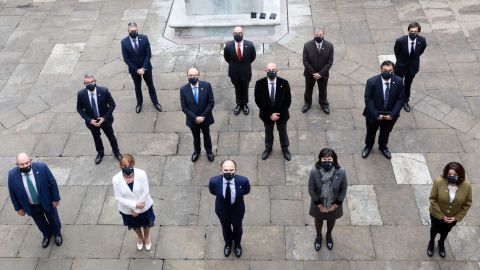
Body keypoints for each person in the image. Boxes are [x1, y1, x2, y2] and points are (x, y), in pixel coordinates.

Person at [8, 153, 62, 248]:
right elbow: (12, 192)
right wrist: (18, 208)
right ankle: (46, 235)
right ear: (17, 164)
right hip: (31, 205)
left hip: (47, 201)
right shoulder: (12, 175)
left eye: (27, 163)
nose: (25, 166)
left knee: (53, 218)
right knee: (40, 222)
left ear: (31, 161)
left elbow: (52, 182)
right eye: (21, 164)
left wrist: (55, 198)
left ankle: (57, 233)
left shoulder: (42, 168)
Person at [427, 162, 472, 258]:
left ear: (460, 174)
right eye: (449, 174)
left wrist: (456, 217)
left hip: (452, 218)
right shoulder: (439, 181)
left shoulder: (466, 186)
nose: (452, 176)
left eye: (455, 175)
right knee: (434, 229)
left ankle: (441, 243)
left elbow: (467, 204)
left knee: (445, 231)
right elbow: (432, 199)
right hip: (436, 215)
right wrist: (441, 216)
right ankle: (431, 242)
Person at [361, 60, 404, 160]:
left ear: (393, 71)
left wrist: (392, 114)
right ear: (381, 69)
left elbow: (400, 99)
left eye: (389, 70)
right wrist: (376, 114)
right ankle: (368, 146)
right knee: (371, 132)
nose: (387, 72)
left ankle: (383, 147)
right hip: (374, 114)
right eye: (384, 70)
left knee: (386, 132)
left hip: (390, 114)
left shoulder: (398, 81)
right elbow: (368, 99)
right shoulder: (371, 81)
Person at [112, 154, 155, 251]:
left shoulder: (142, 174)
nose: (127, 167)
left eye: (129, 165)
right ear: (121, 166)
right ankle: (140, 237)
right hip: (128, 210)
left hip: (144, 206)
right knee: (135, 226)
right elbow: (118, 197)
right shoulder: (116, 179)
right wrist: (135, 206)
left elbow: (145, 191)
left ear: (133, 164)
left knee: (146, 223)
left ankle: (147, 237)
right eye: (124, 165)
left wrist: (137, 210)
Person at [208, 160, 251, 258]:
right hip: (222, 211)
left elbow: (246, 191)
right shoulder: (214, 181)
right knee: (225, 228)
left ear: (236, 170)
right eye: (226, 170)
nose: (228, 172)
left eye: (231, 170)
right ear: (221, 170)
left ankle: (237, 245)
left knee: (238, 228)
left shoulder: (243, 181)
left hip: (237, 211)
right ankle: (228, 244)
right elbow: (212, 191)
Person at [308, 148, 347, 251]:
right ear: (320, 159)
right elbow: (311, 189)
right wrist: (319, 205)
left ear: (333, 160)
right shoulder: (314, 172)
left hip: (334, 204)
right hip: (318, 205)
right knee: (318, 220)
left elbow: (343, 189)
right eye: (324, 159)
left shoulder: (341, 172)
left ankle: (329, 235)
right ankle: (319, 236)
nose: (327, 161)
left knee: (331, 220)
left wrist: (335, 206)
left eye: (329, 159)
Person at [77, 73, 122, 164]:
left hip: (105, 120)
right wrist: (89, 120)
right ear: (84, 84)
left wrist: (104, 118)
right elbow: (79, 108)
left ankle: (116, 151)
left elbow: (112, 105)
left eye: (92, 82)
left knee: (111, 136)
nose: (90, 84)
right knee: (96, 138)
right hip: (92, 122)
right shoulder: (81, 94)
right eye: (87, 83)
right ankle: (100, 153)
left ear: (95, 81)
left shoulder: (104, 91)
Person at [121, 21, 162, 113]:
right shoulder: (124, 42)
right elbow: (126, 59)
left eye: (135, 30)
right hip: (134, 70)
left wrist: (143, 68)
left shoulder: (144, 38)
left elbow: (148, 55)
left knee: (150, 85)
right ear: (128, 30)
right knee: (137, 87)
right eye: (132, 31)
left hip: (146, 67)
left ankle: (155, 102)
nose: (134, 32)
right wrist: (137, 70)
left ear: (137, 29)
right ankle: (139, 103)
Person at [254, 63, 292, 161]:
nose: (271, 72)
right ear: (265, 70)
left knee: (283, 131)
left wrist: (279, 114)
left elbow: (288, 100)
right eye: (269, 70)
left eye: (273, 70)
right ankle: (268, 148)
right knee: (268, 132)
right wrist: (270, 114)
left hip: (281, 115)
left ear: (277, 70)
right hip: (267, 115)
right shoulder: (259, 83)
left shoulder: (284, 83)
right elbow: (258, 101)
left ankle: (285, 149)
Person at [180, 67, 215, 162]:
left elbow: (211, 103)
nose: (193, 77)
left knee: (206, 135)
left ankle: (209, 152)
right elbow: (184, 107)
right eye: (191, 75)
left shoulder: (206, 86)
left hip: (205, 119)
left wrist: (202, 117)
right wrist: (195, 118)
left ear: (199, 75)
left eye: (195, 75)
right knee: (195, 137)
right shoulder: (183, 89)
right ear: (187, 76)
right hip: (193, 120)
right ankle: (197, 151)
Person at [394, 22, 427, 112]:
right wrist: (401, 61)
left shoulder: (422, 40)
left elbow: (420, 51)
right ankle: (395, 100)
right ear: (408, 30)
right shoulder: (400, 41)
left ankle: (405, 101)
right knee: (397, 83)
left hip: (412, 67)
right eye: (411, 31)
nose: (413, 33)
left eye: (415, 31)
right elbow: (397, 52)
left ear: (418, 32)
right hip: (401, 66)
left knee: (408, 84)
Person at [223, 26, 256, 115]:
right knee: (237, 88)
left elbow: (252, 58)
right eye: (236, 33)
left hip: (246, 72)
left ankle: (245, 104)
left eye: (240, 33)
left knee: (245, 88)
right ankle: (238, 103)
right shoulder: (228, 45)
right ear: (233, 34)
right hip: (234, 73)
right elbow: (227, 58)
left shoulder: (250, 45)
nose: (238, 35)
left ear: (243, 34)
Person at [302, 27, 334, 114]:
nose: (319, 36)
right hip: (310, 74)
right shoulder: (307, 45)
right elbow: (305, 61)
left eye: (320, 35)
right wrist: (314, 73)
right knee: (308, 89)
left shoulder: (329, 46)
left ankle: (323, 104)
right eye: (317, 35)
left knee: (323, 89)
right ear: (314, 35)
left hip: (323, 74)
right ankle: (307, 103)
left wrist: (320, 74)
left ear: (323, 35)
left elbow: (329, 63)